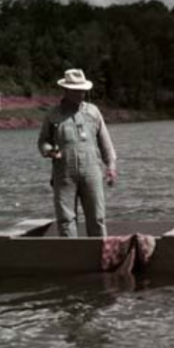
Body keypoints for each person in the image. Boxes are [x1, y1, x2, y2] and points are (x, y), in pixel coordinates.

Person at [38, 68, 117, 237]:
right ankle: (71, 258)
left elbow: (105, 143)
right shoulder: (53, 115)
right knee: (66, 220)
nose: (81, 94)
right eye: (77, 91)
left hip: (92, 172)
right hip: (63, 173)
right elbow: (43, 142)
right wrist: (50, 151)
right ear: (66, 90)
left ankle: (99, 256)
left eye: (83, 90)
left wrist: (111, 166)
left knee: (97, 217)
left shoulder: (93, 112)